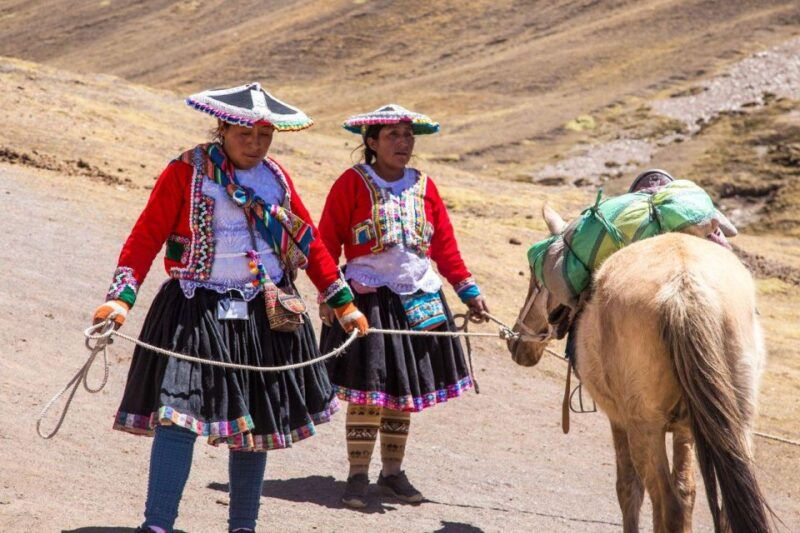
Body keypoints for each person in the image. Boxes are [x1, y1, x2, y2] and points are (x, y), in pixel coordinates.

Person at [91, 82, 367, 533]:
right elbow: (145, 237)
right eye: (245, 135)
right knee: (176, 416)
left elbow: (308, 241)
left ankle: (243, 525)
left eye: (264, 135)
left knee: (253, 429)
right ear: (222, 128)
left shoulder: (275, 177)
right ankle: (157, 524)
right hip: (193, 309)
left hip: (261, 315)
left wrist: (343, 303)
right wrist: (119, 299)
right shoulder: (185, 171)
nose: (256, 144)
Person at [317, 104, 489, 508]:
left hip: (418, 297)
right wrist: (330, 294)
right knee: (369, 390)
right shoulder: (352, 183)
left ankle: (392, 473)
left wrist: (467, 290)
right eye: (392, 135)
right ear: (371, 143)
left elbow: (444, 245)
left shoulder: (424, 185)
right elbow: (326, 241)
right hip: (369, 296)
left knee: (402, 391)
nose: (403, 142)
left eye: (408, 135)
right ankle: (357, 475)